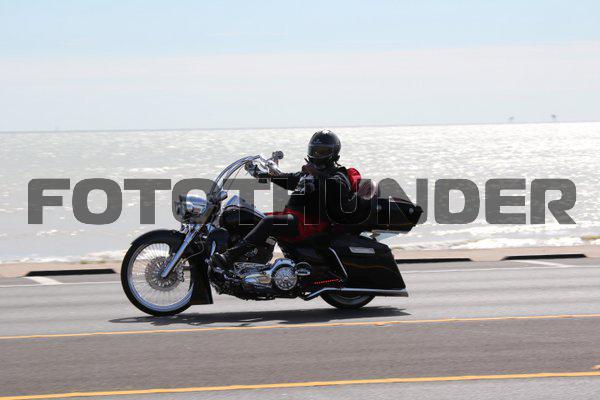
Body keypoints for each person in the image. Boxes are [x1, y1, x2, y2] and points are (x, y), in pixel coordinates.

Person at [211, 130, 369, 270]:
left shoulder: (338, 174)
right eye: (314, 150)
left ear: (333, 154)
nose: (317, 154)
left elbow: (338, 187)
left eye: (322, 151)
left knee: (269, 222)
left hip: (310, 224)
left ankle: (229, 257)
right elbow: (286, 179)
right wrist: (260, 173)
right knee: (247, 215)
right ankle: (250, 260)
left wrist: (317, 174)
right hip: (293, 217)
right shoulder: (307, 173)